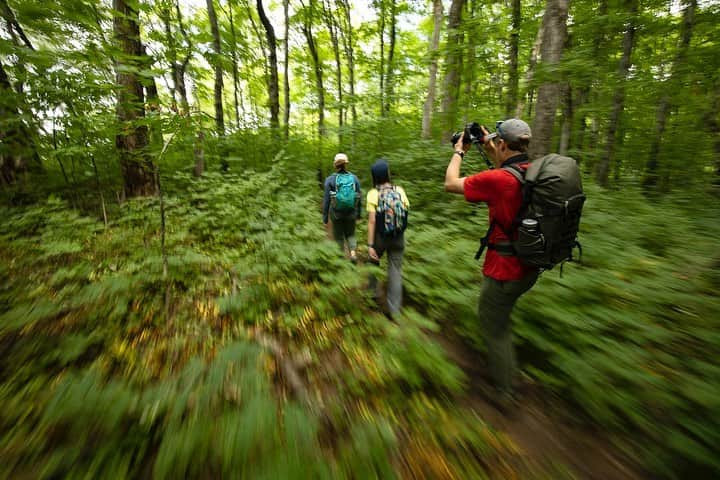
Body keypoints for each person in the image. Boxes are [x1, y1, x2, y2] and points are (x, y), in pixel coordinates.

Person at [443, 118, 540, 401]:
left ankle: (505, 392)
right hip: (530, 265)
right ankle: (509, 373)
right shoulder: (532, 171)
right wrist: (489, 144)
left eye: (496, 142)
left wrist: (460, 151)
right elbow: (506, 169)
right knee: (502, 320)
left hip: (504, 269)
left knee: (493, 326)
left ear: (502, 144)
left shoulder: (498, 180)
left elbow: (450, 183)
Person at [366, 159, 409, 317]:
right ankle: (394, 312)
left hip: (380, 237)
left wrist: (370, 245)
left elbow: (372, 220)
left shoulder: (373, 193)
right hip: (398, 236)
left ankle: (372, 297)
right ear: (388, 174)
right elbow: (404, 211)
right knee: (395, 272)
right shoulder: (400, 190)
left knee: (372, 262)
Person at [322, 153, 362, 262]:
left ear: (335, 165)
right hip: (351, 212)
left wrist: (325, 218)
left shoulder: (330, 180)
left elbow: (326, 200)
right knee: (351, 234)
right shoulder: (354, 178)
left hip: (336, 214)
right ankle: (353, 254)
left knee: (339, 236)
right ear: (346, 164)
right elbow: (359, 196)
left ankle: (340, 259)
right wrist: (358, 215)